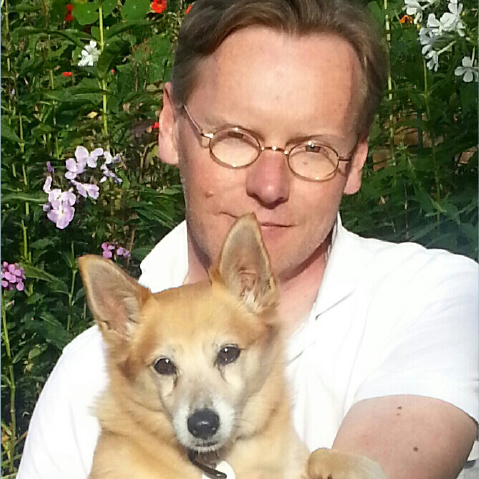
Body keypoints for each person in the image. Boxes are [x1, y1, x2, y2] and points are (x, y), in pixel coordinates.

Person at [17, 0, 478, 478]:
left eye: (313, 148)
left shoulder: (436, 298)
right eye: (235, 137)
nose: (270, 186)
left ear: (357, 159)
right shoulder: (82, 378)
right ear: (170, 127)